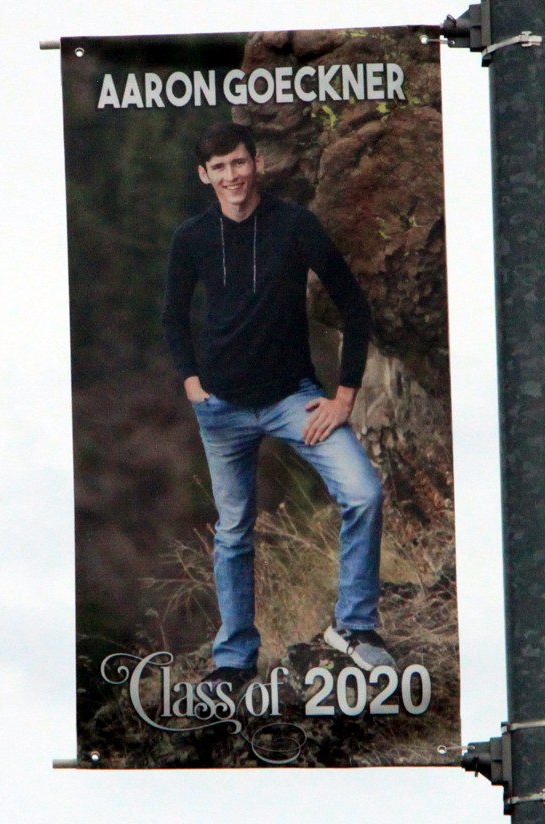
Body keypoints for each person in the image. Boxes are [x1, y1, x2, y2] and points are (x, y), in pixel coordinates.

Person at [163, 122, 394, 694]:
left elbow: (354, 307)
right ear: (204, 175)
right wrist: (191, 382)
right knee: (234, 533)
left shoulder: (294, 225)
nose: (232, 176)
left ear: (257, 163)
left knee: (363, 492)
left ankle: (354, 627)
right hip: (221, 409)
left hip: (295, 399)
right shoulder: (192, 237)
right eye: (219, 168)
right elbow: (173, 316)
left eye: (239, 163)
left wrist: (344, 396)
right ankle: (235, 661)